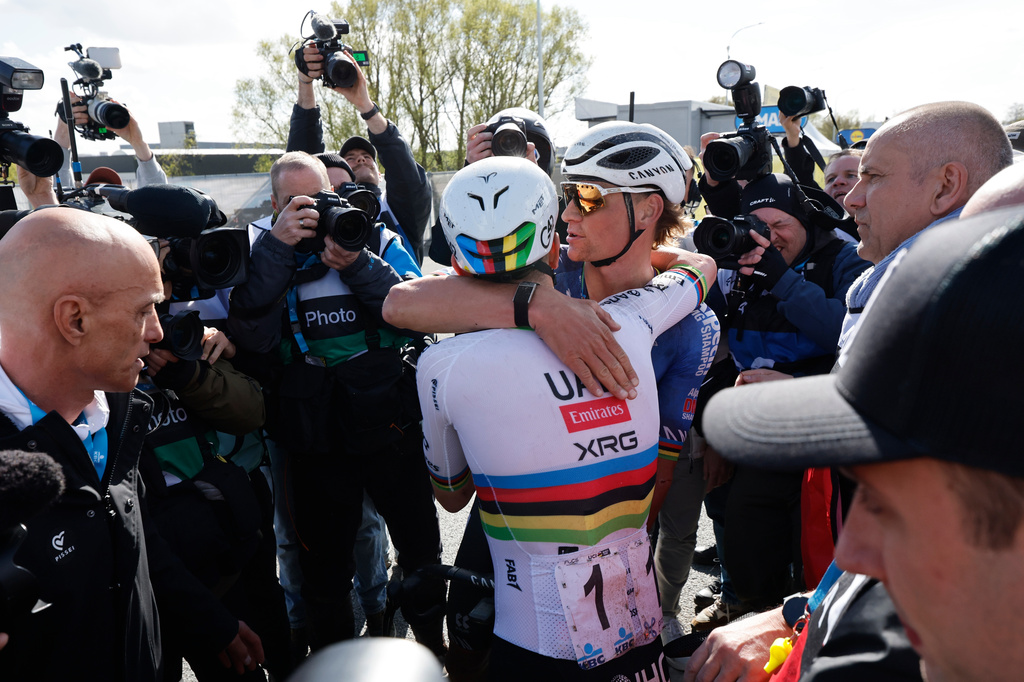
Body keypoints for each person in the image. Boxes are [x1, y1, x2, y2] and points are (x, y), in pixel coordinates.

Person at [682, 103, 1016, 682]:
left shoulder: (953, 301)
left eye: (874, 176)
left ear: (947, 186)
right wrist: (808, 609)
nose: (850, 198)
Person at [416, 155, 710, 680]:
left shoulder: (440, 366)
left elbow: (452, 494)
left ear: (456, 257)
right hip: (639, 629)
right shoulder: (634, 318)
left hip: (532, 642)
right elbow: (700, 268)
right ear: (553, 246)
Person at [0, 208, 262, 680]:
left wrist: (209, 620)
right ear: (74, 319)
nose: (159, 332)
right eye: (144, 310)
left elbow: (135, 540)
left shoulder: (120, 409)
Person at [227, 152, 445, 655]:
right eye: (296, 204)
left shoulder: (370, 235)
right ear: (276, 205)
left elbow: (417, 313)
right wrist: (279, 252)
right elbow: (252, 339)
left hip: (388, 422)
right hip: (313, 436)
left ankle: (432, 651)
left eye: (320, 199)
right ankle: (333, 659)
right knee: (323, 570)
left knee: (419, 550)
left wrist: (358, 264)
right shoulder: (260, 248)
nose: (312, 214)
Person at [289, 45, 431, 264]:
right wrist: (305, 82)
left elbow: (406, 173)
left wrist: (366, 106)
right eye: (351, 159)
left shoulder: (396, 210)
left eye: (368, 157)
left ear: (382, 175)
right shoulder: (323, 212)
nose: (361, 159)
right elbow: (301, 165)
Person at [53, 94, 168, 188]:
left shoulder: (125, 215)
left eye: (112, 190)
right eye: (93, 191)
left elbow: (156, 198)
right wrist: (64, 125)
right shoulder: (77, 213)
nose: (103, 194)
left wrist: (138, 142)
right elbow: (62, 195)